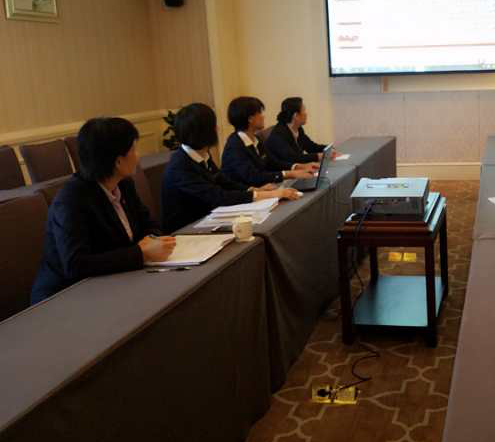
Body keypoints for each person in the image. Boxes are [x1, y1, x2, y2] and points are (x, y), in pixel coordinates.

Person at [31, 118, 177, 304]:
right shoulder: (71, 200)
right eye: (133, 150)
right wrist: (140, 253)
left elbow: (149, 223)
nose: (138, 156)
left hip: (113, 282)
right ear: (117, 161)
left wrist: (152, 240)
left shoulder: (124, 185)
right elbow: (76, 264)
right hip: (64, 297)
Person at [161, 103, 300, 233]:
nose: (217, 128)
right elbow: (217, 196)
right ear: (204, 132)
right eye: (213, 125)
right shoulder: (179, 167)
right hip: (186, 231)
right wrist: (268, 195)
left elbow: (223, 181)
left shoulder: (201, 152)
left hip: (208, 220)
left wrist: (253, 190)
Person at [221, 96, 318, 187]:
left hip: (263, 189)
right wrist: (290, 174)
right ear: (250, 119)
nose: (263, 117)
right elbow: (253, 176)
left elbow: (273, 163)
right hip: (247, 194)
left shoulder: (255, 139)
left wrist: (299, 167)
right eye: (260, 113)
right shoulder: (234, 145)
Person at [266, 97, 338, 165]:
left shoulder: (298, 128)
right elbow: (293, 158)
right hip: (286, 171)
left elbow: (311, 147)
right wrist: (318, 156)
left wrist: (329, 149)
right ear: (296, 115)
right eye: (304, 110)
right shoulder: (279, 134)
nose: (306, 114)